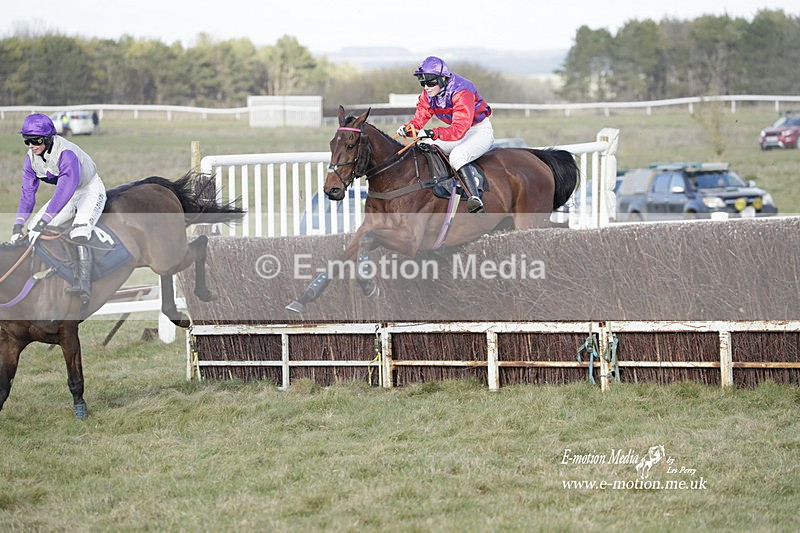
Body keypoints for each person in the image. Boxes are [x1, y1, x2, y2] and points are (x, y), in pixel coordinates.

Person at [12, 113, 107, 304]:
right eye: (26, 141)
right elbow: (27, 193)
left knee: (80, 232)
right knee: (32, 231)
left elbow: (64, 192)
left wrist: (43, 221)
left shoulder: (66, 154)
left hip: (89, 189)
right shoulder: (30, 159)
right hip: (68, 193)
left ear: (47, 138)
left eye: (35, 140)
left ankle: (84, 285)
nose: (31, 145)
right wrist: (18, 225)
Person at [397, 56, 494, 213]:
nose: (426, 87)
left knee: (457, 156)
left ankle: (474, 197)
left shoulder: (462, 91)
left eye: (430, 82)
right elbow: (419, 118)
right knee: (425, 145)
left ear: (443, 78)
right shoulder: (428, 94)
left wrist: (431, 132)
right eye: (423, 82)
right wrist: (408, 128)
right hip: (459, 131)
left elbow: (458, 130)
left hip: (478, 131)